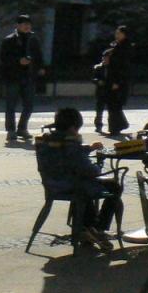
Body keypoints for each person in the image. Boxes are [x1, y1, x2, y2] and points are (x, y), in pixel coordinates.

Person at [35, 107, 122, 251]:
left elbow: (66, 156)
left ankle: (86, 227)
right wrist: (98, 166)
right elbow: (87, 168)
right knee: (114, 186)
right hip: (71, 185)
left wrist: (87, 149)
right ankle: (98, 228)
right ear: (72, 127)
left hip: (52, 183)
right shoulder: (70, 143)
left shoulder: (47, 140)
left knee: (86, 187)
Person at [1, 14, 44, 146]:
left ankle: (22, 128)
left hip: (29, 76)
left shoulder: (33, 39)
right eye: (24, 24)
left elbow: (38, 55)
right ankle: (11, 130)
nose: (27, 26)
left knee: (29, 105)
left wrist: (40, 67)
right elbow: (4, 58)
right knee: (11, 105)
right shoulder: (9, 39)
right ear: (18, 25)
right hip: (13, 77)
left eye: (29, 24)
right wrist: (18, 61)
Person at [101, 26, 132, 137]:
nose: (116, 35)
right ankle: (120, 125)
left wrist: (117, 82)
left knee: (114, 105)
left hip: (118, 80)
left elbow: (122, 66)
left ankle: (115, 128)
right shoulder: (116, 45)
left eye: (119, 33)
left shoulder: (125, 47)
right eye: (116, 33)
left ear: (124, 34)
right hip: (112, 78)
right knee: (113, 105)